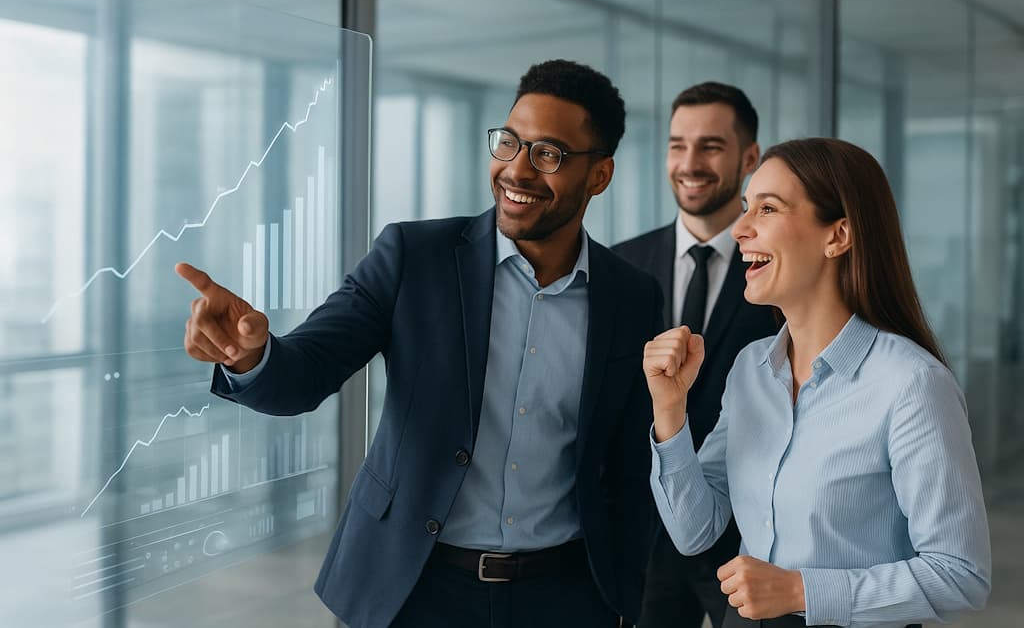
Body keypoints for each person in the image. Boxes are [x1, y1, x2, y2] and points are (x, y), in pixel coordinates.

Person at [176, 59, 661, 628]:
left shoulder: (631, 297)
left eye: (548, 154)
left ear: (599, 175)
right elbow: (306, 371)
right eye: (509, 143)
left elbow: (632, 467)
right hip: (414, 589)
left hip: (563, 595)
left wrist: (623, 599)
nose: (518, 170)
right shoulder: (415, 257)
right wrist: (251, 355)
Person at [643, 137, 991, 628]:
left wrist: (799, 590)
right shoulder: (750, 371)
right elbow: (694, 531)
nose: (740, 229)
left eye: (767, 208)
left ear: (838, 236)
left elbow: (960, 575)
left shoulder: (912, 384)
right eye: (746, 208)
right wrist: (669, 413)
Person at [613, 82, 778, 628]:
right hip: (646, 530)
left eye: (710, 146)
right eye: (677, 144)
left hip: (750, 538)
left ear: (748, 158)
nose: (689, 162)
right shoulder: (623, 266)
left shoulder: (779, 273)